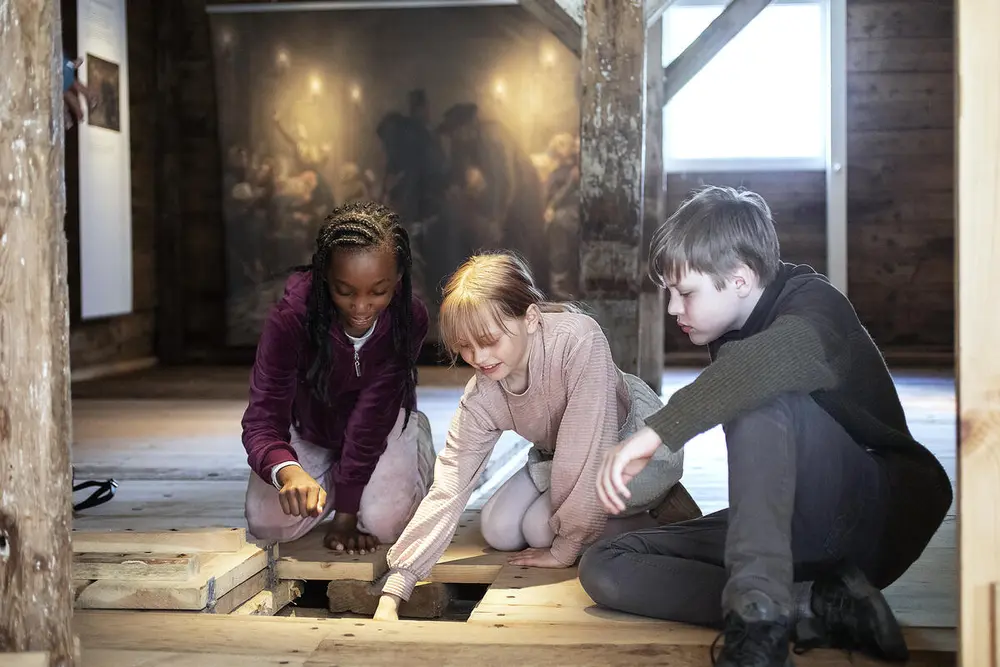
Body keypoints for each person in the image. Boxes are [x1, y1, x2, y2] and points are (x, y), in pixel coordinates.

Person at [580, 186, 953, 666]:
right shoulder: (733, 326)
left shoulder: (818, 307)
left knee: (755, 396)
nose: (673, 308)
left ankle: (757, 626)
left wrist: (656, 430)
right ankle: (815, 604)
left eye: (685, 292)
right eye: (669, 293)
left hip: (873, 519)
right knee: (607, 564)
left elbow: (764, 363)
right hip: (795, 531)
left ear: (739, 278)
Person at [372, 251, 698, 621]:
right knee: (497, 529)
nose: (479, 357)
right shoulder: (484, 394)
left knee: (539, 531)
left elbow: (586, 448)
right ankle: (610, 516)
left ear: (529, 317)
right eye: (464, 346)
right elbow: (450, 485)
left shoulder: (579, 340)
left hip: (634, 451)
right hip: (559, 456)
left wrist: (566, 546)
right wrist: (400, 580)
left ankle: (660, 516)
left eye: (489, 340)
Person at [241, 201, 435, 554]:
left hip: (382, 422)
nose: (361, 308)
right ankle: (332, 476)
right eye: (344, 291)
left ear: (398, 281)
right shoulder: (290, 319)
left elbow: (372, 418)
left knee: (385, 524)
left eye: (379, 291)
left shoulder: (408, 319)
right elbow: (262, 418)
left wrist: (346, 514)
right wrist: (288, 471)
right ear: (324, 277)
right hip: (313, 428)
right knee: (267, 524)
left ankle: (415, 436)